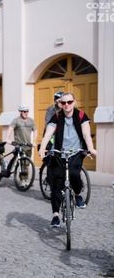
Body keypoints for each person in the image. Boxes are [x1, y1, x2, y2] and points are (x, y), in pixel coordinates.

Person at [39, 92, 97, 227]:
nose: (66, 105)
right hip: (59, 152)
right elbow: (48, 133)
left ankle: (77, 194)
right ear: (60, 104)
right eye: (63, 102)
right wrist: (42, 147)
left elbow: (86, 134)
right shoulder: (56, 116)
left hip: (75, 152)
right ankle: (55, 215)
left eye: (69, 102)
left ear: (74, 102)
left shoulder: (81, 115)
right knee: (56, 184)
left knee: (74, 173)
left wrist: (91, 148)